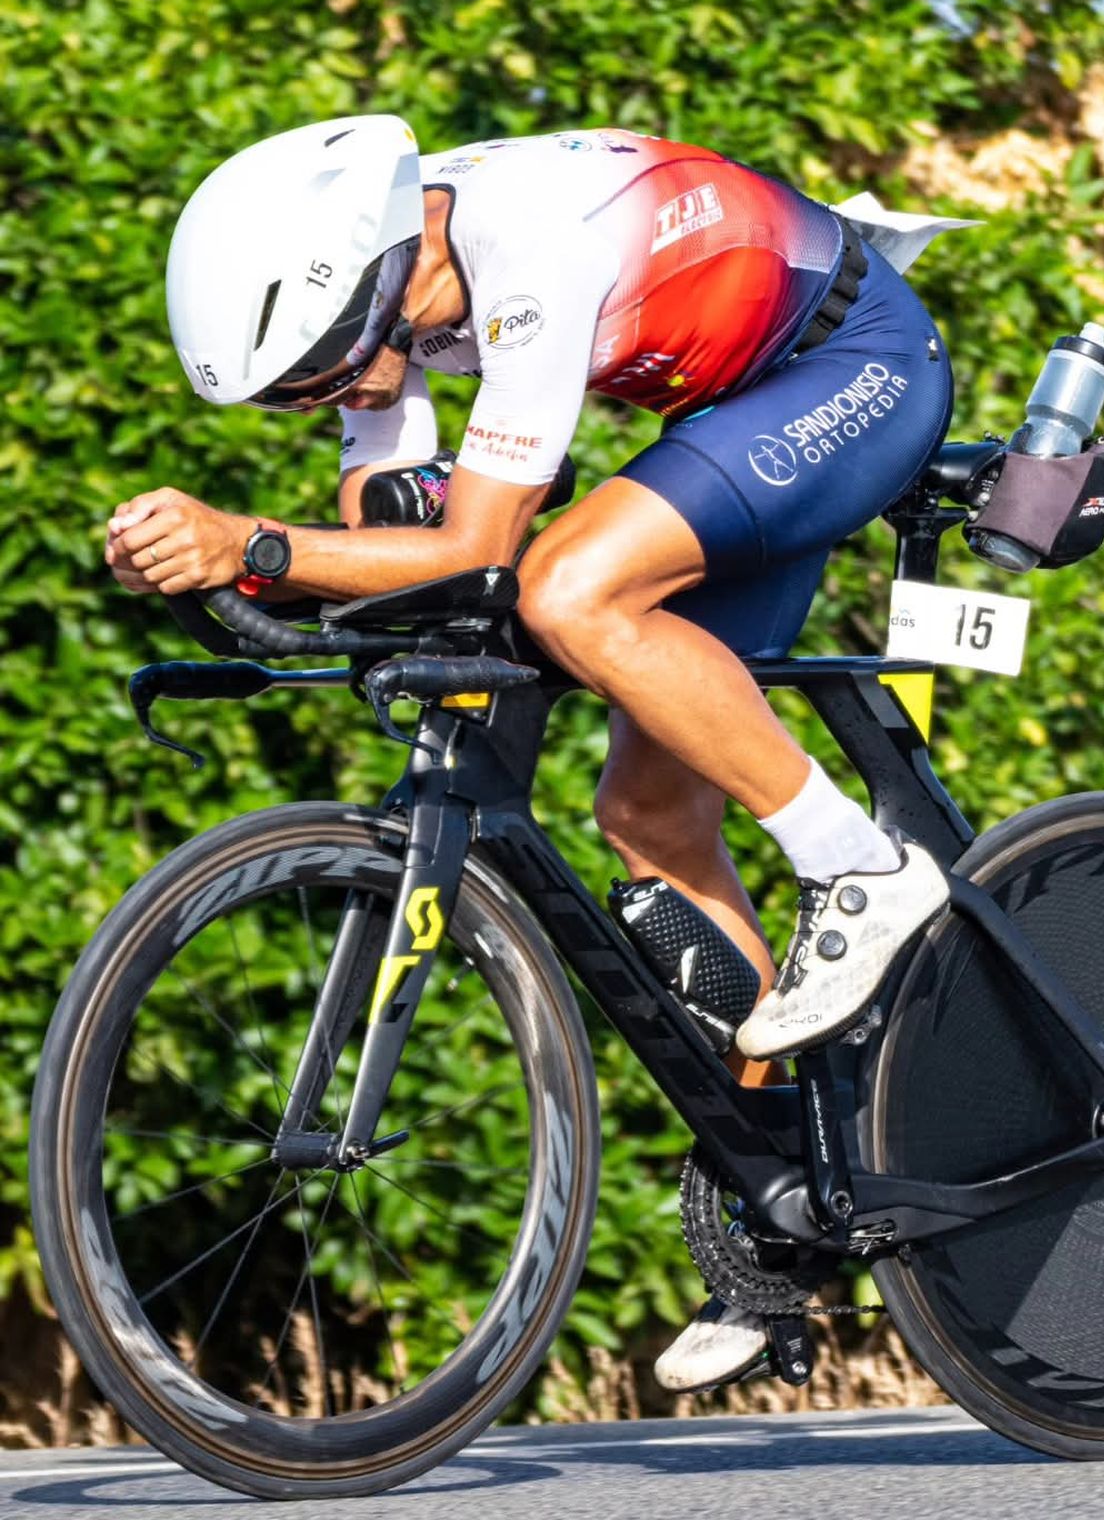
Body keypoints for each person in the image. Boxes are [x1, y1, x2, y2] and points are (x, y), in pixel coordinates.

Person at [107, 114, 955, 1392]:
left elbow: (475, 550)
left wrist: (252, 546)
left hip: (856, 366)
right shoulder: (393, 289)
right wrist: (229, 571)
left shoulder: (527, 252)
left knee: (567, 593)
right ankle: (786, 1198)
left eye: (323, 374)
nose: (330, 404)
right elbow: (390, 530)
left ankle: (859, 865)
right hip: (733, 413)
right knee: (651, 820)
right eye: (296, 394)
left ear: (386, 284)